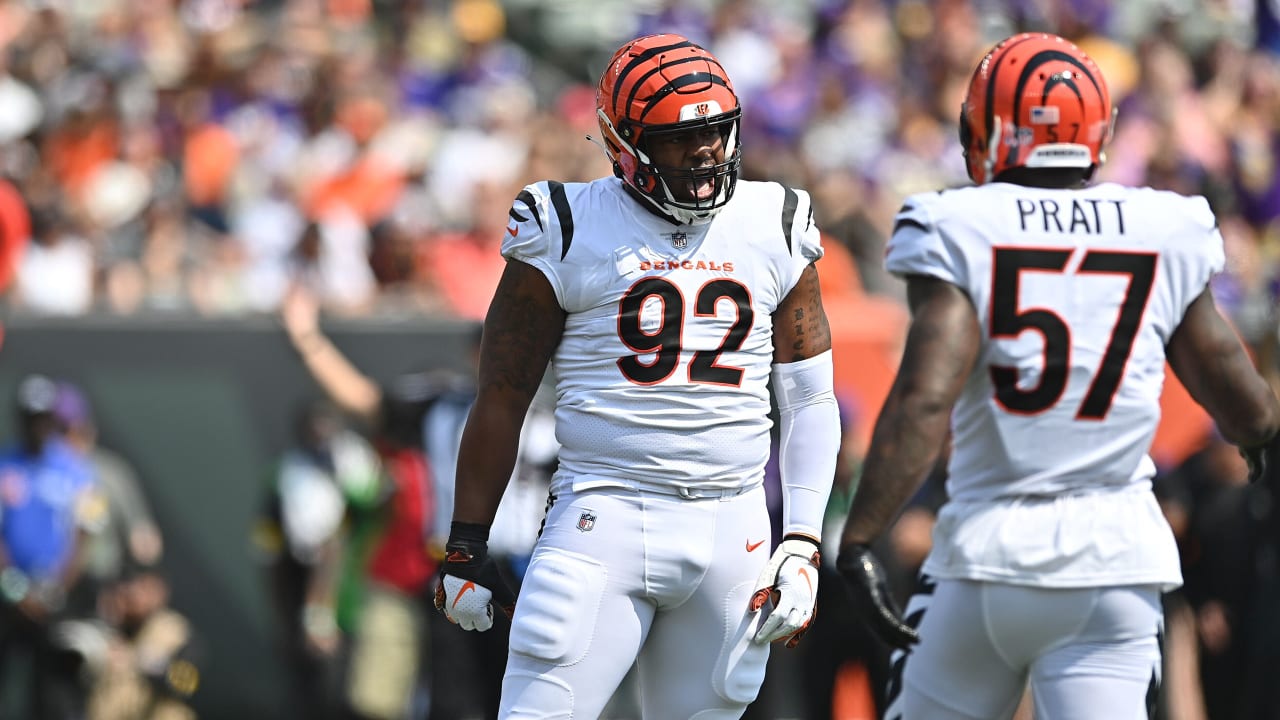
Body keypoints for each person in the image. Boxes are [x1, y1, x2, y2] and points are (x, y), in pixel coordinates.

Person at [835, 33, 1280, 720]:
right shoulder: (1159, 223)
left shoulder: (960, 222)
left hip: (990, 556)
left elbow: (925, 400)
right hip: (1118, 562)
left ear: (985, 128)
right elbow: (1228, 376)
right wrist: (1258, 437)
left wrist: (862, 536)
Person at [433, 33, 841, 719]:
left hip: (734, 528)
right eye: (681, 139)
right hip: (604, 518)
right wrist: (466, 542)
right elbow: (502, 394)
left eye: (717, 131)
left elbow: (810, 397)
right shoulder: (565, 223)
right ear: (621, 140)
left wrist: (801, 539)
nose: (707, 151)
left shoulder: (775, 221)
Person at [0, 374, 104, 719]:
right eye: (31, 419)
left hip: (59, 599)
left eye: (44, 418)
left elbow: (86, 533)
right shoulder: (4, 466)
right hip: (9, 600)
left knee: (57, 693)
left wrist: (57, 588)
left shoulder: (78, 471)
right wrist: (14, 588)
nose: (38, 427)